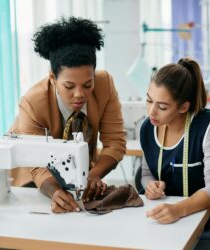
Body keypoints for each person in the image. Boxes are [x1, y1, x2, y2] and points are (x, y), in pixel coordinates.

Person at [9, 17, 126, 213]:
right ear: (53, 78)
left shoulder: (104, 85)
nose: (80, 94)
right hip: (33, 183)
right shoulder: (32, 103)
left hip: (78, 178)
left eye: (88, 85)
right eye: (69, 86)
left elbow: (115, 142)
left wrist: (94, 174)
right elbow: (37, 166)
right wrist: (55, 192)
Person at [140, 57, 210, 227]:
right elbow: (146, 174)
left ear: (183, 107)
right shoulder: (147, 128)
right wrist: (150, 186)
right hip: (160, 218)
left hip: (199, 219)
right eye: (149, 100)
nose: (151, 112)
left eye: (162, 107)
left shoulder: (209, 125)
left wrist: (178, 210)